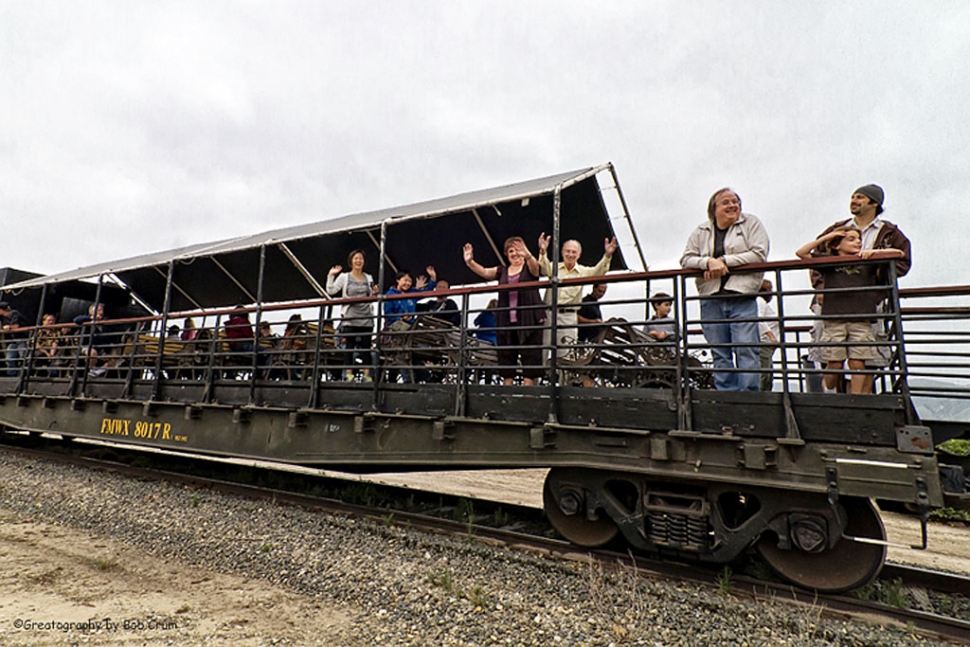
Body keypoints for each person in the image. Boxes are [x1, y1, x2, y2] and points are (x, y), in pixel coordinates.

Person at [810, 184, 912, 392]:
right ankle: (835, 400)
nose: (854, 201)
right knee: (831, 355)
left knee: (865, 356)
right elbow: (815, 258)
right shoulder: (838, 229)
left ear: (874, 203)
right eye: (853, 197)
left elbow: (902, 261)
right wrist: (820, 289)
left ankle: (860, 401)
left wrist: (877, 277)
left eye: (860, 197)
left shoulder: (889, 233)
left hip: (868, 303)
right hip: (834, 303)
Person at [680, 187, 770, 391]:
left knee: (746, 349)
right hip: (711, 298)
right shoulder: (701, 231)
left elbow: (758, 254)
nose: (732, 205)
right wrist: (708, 262)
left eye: (735, 201)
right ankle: (726, 396)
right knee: (720, 352)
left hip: (742, 296)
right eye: (726, 202)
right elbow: (686, 259)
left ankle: (748, 397)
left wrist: (724, 261)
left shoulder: (751, 224)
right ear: (714, 209)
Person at [796, 226, 905, 395]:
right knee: (835, 362)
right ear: (837, 245)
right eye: (851, 239)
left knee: (858, 361)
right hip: (834, 318)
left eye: (859, 239)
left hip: (861, 318)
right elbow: (801, 253)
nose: (858, 242)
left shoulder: (866, 260)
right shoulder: (829, 262)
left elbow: (899, 253)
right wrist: (827, 238)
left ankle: (856, 398)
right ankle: (829, 391)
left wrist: (874, 253)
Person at [463, 237, 546, 386]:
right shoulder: (503, 270)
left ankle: (528, 398)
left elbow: (536, 269)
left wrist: (527, 254)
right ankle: (507, 397)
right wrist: (470, 262)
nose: (515, 253)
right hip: (507, 320)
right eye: (511, 251)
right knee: (507, 358)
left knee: (530, 358)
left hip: (529, 318)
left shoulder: (530, 266)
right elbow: (485, 272)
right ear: (507, 254)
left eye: (518, 249)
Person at [537, 234, 617, 360]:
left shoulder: (583, 271)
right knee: (541, 352)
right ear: (562, 253)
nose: (570, 255)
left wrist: (607, 255)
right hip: (548, 314)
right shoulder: (554, 267)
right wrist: (543, 251)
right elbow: (543, 268)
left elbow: (599, 272)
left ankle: (564, 380)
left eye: (574, 252)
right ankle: (537, 380)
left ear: (579, 255)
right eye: (567, 251)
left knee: (566, 356)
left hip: (568, 316)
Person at [326, 249, 378, 381]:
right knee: (350, 346)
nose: (358, 261)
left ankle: (367, 376)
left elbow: (371, 296)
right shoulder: (344, 277)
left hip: (366, 317)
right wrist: (331, 275)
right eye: (356, 258)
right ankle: (349, 375)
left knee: (366, 347)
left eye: (360, 258)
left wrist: (375, 293)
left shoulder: (369, 277)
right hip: (350, 317)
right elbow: (331, 290)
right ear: (351, 261)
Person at [757, 280, 780, 391]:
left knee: (767, 373)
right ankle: (761, 399)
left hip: (766, 344)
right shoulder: (760, 301)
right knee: (764, 374)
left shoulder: (761, 303)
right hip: (764, 343)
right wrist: (771, 336)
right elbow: (759, 319)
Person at [0, 302, 29, 377]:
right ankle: (12, 375)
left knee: (23, 358)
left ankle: (24, 375)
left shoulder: (14, 313)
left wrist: (8, 327)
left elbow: (16, 326)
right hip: (14, 340)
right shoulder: (5, 318)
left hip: (22, 339)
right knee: (10, 358)